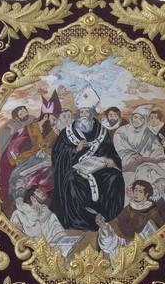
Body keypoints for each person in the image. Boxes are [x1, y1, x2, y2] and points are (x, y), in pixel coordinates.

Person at [50, 94, 125, 233]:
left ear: (93, 114)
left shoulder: (101, 131)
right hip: (74, 168)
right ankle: (81, 220)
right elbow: (57, 155)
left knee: (114, 176)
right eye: (82, 112)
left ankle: (109, 217)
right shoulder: (67, 133)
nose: (84, 115)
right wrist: (74, 150)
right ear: (77, 114)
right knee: (72, 180)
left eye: (87, 112)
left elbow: (109, 150)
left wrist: (110, 160)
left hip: (98, 168)